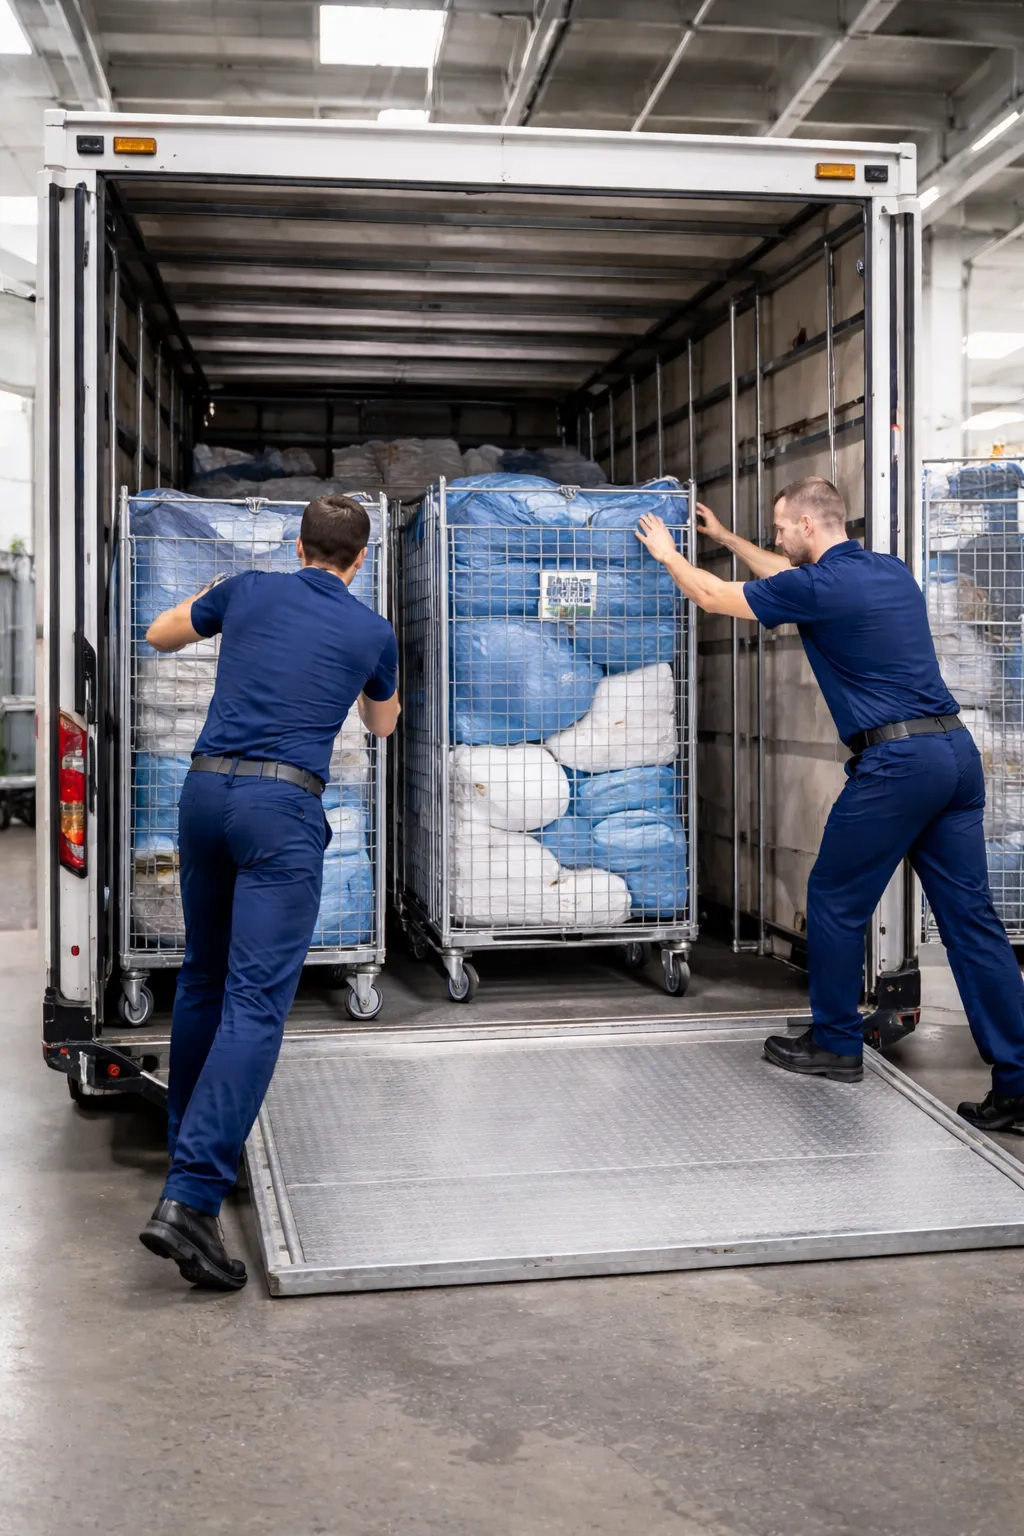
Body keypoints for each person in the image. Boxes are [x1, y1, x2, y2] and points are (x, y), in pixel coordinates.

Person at [636, 475, 1024, 1121]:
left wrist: (668, 554)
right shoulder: (887, 572)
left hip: (897, 764)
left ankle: (836, 1044)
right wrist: (727, 539)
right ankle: (1019, 1082)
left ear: (808, 526)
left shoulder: (818, 587)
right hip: (955, 756)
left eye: (780, 528)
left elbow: (710, 596)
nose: (777, 537)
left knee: (835, 901)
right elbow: (785, 580)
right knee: (972, 922)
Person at [138, 493, 400, 1291]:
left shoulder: (245, 589)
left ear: (298, 546)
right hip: (279, 811)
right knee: (254, 1004)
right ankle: (192, 1197)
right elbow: (383, 725)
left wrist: (216, 605)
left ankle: (188, 1155)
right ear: (360, 559)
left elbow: (159, 634)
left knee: (202, 980)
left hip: (204, 794)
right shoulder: (371, 630)